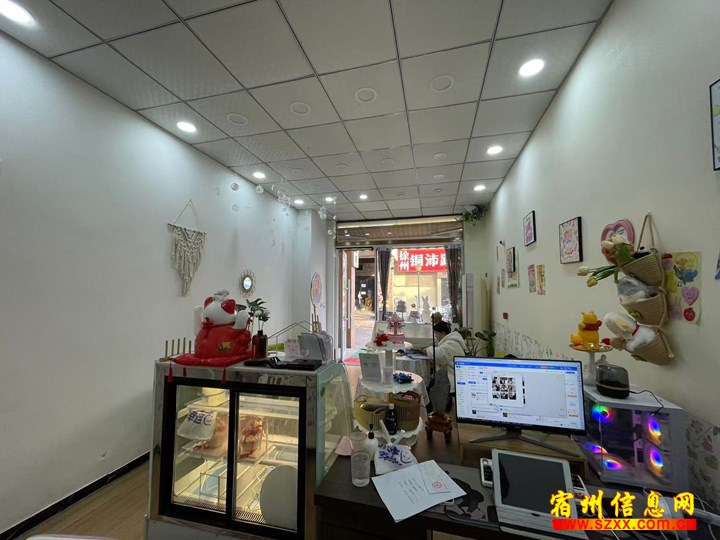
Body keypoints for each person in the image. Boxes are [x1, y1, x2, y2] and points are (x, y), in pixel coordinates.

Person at [425, 321, 467, 413]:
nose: (435, 336)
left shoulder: (451, 343)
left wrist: (427, 350)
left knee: (429, 387)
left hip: (452, 377)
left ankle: (434, 410)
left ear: (443, 333)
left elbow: (439, 355)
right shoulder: (450, 342)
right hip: (449, 374)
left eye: (436, 333)